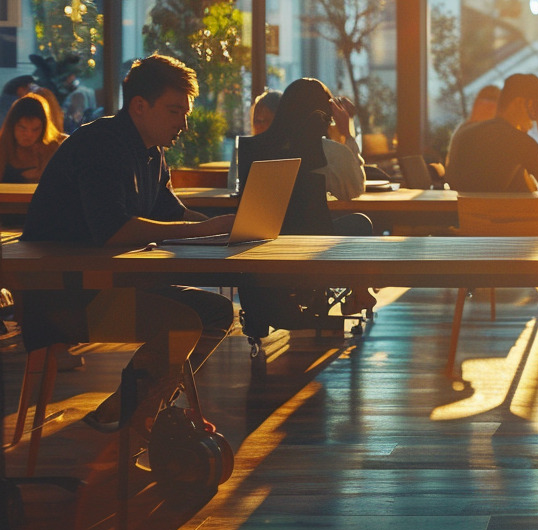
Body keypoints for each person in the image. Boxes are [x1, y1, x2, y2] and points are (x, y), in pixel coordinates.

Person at [20, 54, 237, 433]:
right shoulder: (101, 144)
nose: (184, 124)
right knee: (186, 320)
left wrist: (229, 231)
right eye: (174, 111)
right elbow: (113, 231)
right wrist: (207, 230)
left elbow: (175, 216)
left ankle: (126, 412)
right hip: (63, 302)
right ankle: (132, 419)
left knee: (216, 311)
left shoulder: (152, 153)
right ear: (139, 106)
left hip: (104, 289)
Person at [237, 78, 373, 333]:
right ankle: (358, 294)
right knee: (360, 223)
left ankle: (357, 294)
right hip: (315, 250)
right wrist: (347, 134)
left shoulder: (252, 147)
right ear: (324, 114)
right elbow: (353, 189)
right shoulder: (325, 150)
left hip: (263, 252)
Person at [445, 73, 538, 197]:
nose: (535, 116)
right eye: (535, 106)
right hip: (506, 216)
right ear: (519, 103)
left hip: (466, 216)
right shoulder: (519, 142)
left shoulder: (464, 134)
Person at [0, 93, 65, 182]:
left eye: (35, 129)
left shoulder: (55, 147)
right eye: (22, 128)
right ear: (12, 126)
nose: (28, 134)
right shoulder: (3, 147)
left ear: (43, 129)